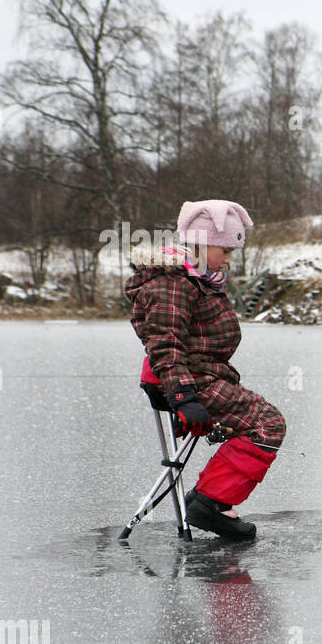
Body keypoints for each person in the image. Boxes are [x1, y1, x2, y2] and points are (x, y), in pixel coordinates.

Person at [125, 200, 284, 539]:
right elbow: (164, 342)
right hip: (181, 381)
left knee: (260, 423)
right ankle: (211, 503)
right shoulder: (173, 281)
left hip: (194, 378)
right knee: (268, 424)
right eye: (224, 249)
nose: (228, 258)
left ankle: (212, 500)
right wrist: (183, 397)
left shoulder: (195, 278)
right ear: (199, 243)